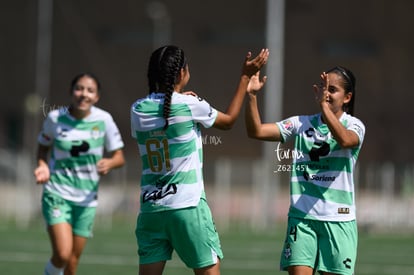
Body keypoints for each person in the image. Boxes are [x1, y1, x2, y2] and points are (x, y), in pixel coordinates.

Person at [130, 45, 269, 275]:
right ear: (182, 73)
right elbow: (229, 121)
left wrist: (179, 99)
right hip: (187, 205)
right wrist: (245, 77)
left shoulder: (137, 109)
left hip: (151, 209)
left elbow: (163, 117)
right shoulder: (189, 105)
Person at [245, 66, 365, 275]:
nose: (326, 93)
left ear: (347, 97)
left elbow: (345, 140)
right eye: (323, 87)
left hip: (339, 220)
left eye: (332, 89)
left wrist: (324, 108)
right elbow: (257, 131)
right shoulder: (301, 123)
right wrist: (252, 96)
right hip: (302, 219)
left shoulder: (354, 125)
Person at [34, 72, 126, 275]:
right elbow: (43, 146)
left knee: (73, 262)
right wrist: (42, 165)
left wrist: (110, 162)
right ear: (71, 92)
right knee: (63, 254)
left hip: (86, 200)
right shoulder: (55, 118)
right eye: (79, 88)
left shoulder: (104, 120)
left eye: (90, 90)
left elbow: (120, 157)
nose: (84, 94)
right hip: (57, 193)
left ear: (97, 97)